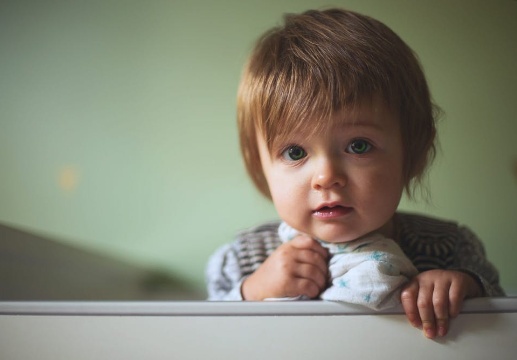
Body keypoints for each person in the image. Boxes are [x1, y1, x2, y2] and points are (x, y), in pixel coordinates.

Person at [205, 8, 504, 339]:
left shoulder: (448, 248)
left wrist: (465, 289)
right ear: (258, 163)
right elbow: (206, 335)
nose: (326, 177)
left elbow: (500, 326)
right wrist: (251, 294)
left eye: (359, 146)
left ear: (413, 151)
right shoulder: (243, 258)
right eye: (295, 152)